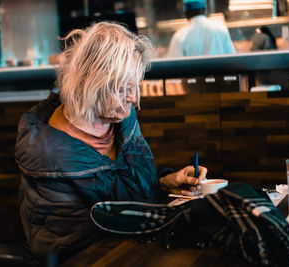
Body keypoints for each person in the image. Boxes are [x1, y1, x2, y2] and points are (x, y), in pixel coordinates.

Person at [15, 21, 207, 265]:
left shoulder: (119, 117)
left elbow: (124, 193)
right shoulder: (50, 158)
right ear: (90, 86)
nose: (133, 98)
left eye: (135, 86)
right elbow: (72, 248)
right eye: (122, 89)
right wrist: (165, 219)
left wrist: (165, 183)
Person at [167, 0, 235, 57]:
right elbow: (232, 58)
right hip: (219, 72)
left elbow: (172, 67)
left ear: (186, 13)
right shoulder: (220, 29)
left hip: (193, 73)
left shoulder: (180, 36)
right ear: (204, 9)